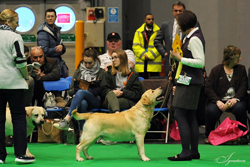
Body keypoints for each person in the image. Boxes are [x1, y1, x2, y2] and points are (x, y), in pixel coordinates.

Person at [167, 10, 205, 161]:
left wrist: (180, 58)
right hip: (191, 81)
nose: (178, 26)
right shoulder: (192, 37)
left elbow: (200, 62)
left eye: (179, 24)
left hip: (190, 82)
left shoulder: (194, 39)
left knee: (180, 114)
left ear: (185, 24)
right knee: (189, 116)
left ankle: (185, 152)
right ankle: (193, 152)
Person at [0, 9, 35, 163]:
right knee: (19, 117)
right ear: (8, 22)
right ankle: (20, 154)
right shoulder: (15, 37)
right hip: (13, 83)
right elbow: (20, 61)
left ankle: (0, 156)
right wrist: (26, 76)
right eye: (16, 21)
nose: (18, 24)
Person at [54, 47, 104, 133]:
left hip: (95, 100)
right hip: (80, 99)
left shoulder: (101, 72)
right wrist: (78, 87)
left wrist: (90, 88)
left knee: (81, 92)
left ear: (95, 61)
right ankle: (82, 132)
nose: (87, 66)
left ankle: (67, 119)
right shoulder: (78, 72)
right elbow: (70, 91)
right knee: (83, 103)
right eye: (85, 63)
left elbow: (103, 91)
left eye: (90, 63)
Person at [204, 45, 248, 144]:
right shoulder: (216, 70)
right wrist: (217, 101)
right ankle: (208, 135)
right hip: (219, 100)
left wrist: (235, 99)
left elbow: (243, 87)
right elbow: (208, 88)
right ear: (230, 58)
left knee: (240, 108)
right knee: (211, 110)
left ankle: (244, 135)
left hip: (236, 100)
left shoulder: (241, 69)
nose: (240, 59)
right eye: (238, 57)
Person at [154, 1, 204, 76]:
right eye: (176, 11)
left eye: (180, 11)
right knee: (170, 84)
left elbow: (200, 42)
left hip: (186, 60)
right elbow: (157, 40)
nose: (178, 13)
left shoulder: (193, 26)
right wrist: (165, 53)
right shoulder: (166, 25)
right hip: (171, 59)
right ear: (172, 11)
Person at [101, 49, 141, 113]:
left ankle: (115, 116)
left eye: (116, 57)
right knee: (111, 94)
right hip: (109, 99)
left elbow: (136, 94)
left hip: (126, 99)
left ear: (122, 59)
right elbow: (103, 90)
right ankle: (117, 114)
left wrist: (122, 93)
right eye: (112, 58)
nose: (113, 60)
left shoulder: (133, 75)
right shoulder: (108, 73)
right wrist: (114, 92)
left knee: (115, 103)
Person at [37, 8, 68, 78]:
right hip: (49, 65)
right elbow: (44, 51)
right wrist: (56, 50)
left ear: (56, 17)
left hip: (57, 62)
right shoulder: (43, 33)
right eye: (48, 16)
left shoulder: (56, 30)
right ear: (45, 18)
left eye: (52, 16)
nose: (50, 18)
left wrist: (62, 48)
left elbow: (62, 45)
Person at [132, 13, 161, 79]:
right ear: (145, 20)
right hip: (141, 63)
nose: (151, 21)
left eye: (152, 19)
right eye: (149, 19)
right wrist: (144, 55)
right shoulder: (138, 32)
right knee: (142, 83)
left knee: (154, 83)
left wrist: (149, 55)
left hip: (154, 63)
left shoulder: (158, 31)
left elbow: (160, 46)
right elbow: (135, 46)